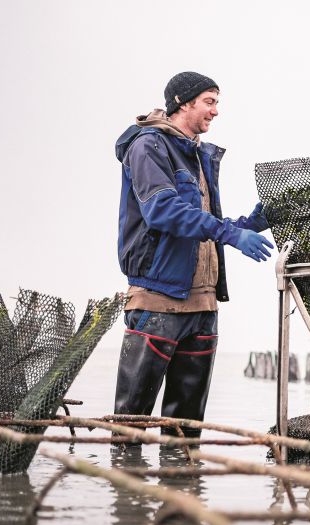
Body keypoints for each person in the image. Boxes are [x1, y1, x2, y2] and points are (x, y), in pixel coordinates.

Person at [112, 71, 274, 437]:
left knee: (186, 438)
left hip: (203, 307)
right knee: (129, 431)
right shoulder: (148, 147)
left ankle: (184, 491)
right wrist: (231, 234)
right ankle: (125, 496)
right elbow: (163, 211)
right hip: (156, 304)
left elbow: (205, 223)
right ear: (183, 103)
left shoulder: (199, 156)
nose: (216, 111)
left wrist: (250, 223)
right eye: (210, 101)